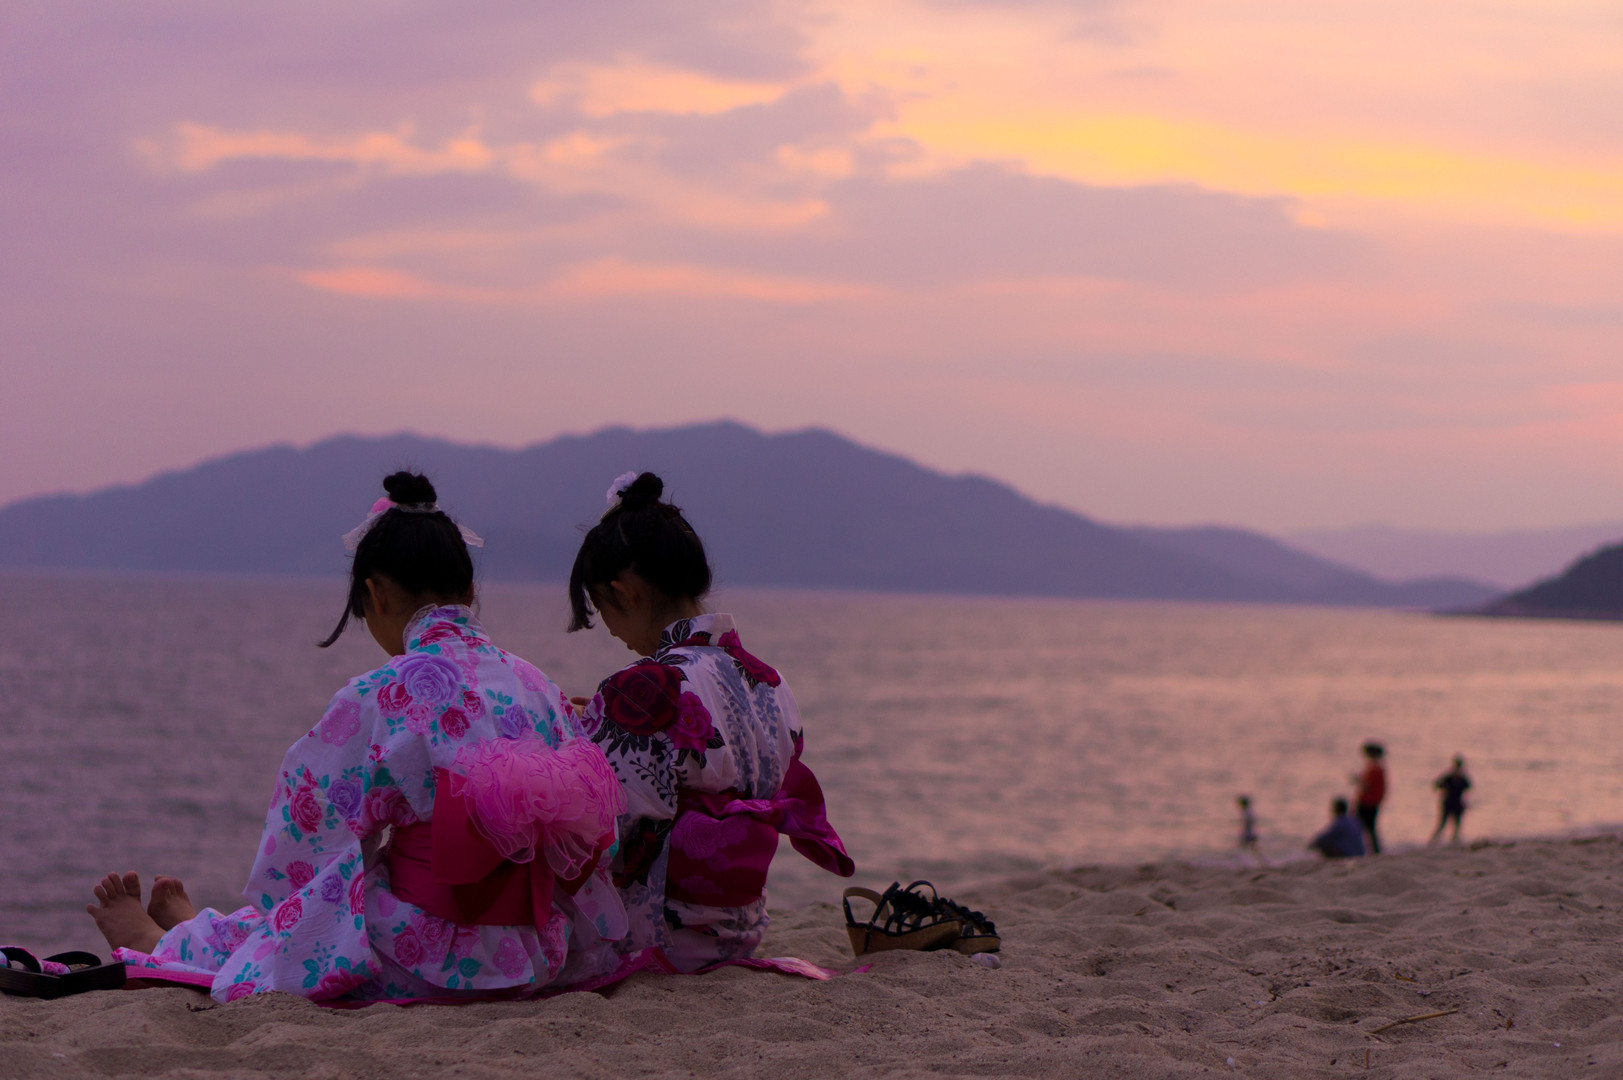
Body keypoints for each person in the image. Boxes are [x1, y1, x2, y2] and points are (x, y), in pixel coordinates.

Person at [85, 472, 627, 1003]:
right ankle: (193, 931)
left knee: (298, 924)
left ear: (375, 595)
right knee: (321, 905)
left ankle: (163, 944)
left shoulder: (380, 694)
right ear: (468, 591)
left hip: (432, 961)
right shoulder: (536, 684)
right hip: (537, 952)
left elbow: (305, 840)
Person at [566, 471, 854, 974]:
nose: (609, 631)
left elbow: (607, 833)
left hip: (658, 939)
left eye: (601, 609)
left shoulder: (643, 687)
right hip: (741, 930)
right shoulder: (770, 681)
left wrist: (575, 741)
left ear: (626, 593)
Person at [1353, 742, 1387, 855]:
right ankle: (1373, 850)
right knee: (1369, 828)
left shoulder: (1374, 769)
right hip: (1373, 802)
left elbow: (1367, 786)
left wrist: (1358, 780)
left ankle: (1364, 850)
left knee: (1361, 827)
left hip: (1368, 802)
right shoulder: (1378, 768)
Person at [1431, 755, 1472, 845]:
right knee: (1442, 824)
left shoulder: (1462, 778)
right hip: (1448, 803)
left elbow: (1468, 788)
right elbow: (1437, 785)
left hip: (1457, 804)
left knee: (1456, 826)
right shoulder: (1449, 777)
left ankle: (1454, 843)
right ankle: (1433, 842)